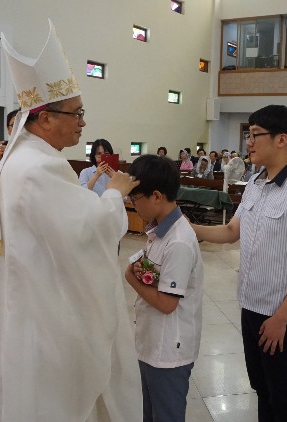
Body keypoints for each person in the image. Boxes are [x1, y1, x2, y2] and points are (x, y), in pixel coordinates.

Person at [0, 20, 142, 421]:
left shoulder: (20, 158)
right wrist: (115, 192)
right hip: (42, 305)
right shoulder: (39, 167)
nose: (83, 122)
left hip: (23, 292)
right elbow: (87, 231)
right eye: (76, 113)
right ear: (45, 119)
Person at [192, 104, 287, 422]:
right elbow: (231, 231)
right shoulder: (255, 183)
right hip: (251, 305)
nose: (248, 143)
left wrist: (281, 318)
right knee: (261, 389)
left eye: (254, 135)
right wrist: (186, 226)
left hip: (283, 314)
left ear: (281, 139)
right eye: (248, 135)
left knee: (282, 395)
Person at [124, 154, 204, 422]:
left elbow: (167, 304)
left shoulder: (178, 241)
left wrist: (131, 277)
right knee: (150, 414)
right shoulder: (159, 230)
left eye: (136, 198)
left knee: (166, 415)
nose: (133, 204)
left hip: (168, 350)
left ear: (156, 196)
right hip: (152, 342)